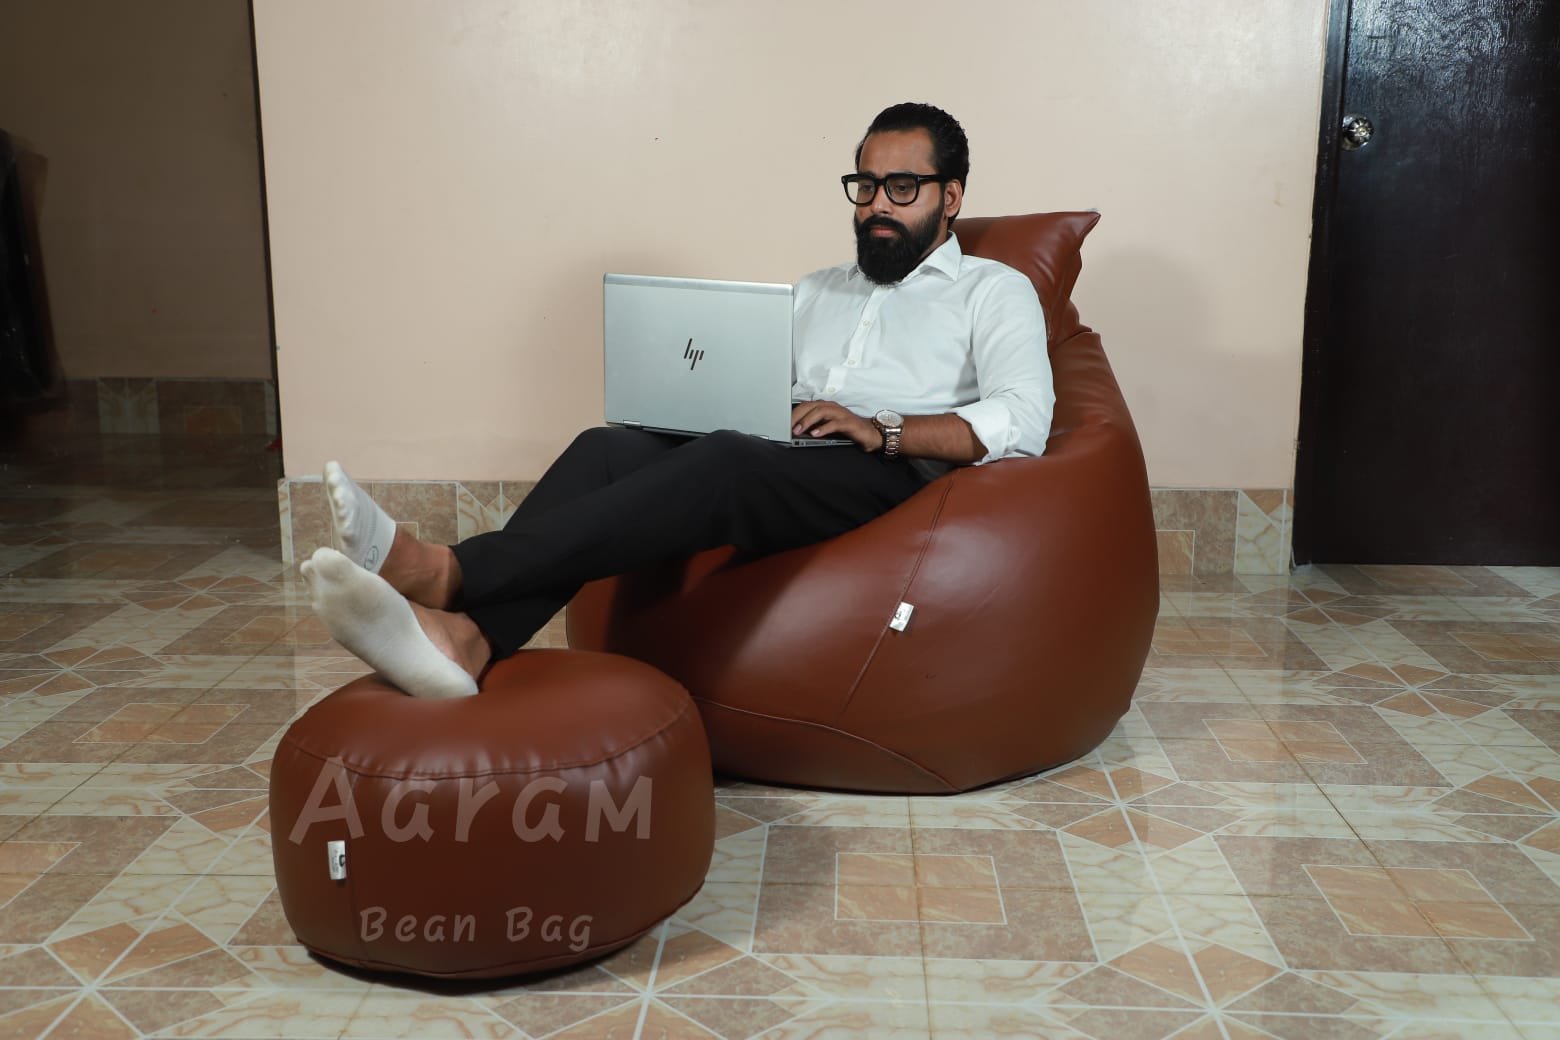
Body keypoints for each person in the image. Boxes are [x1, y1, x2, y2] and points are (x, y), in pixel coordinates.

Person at [302, 102, 1055, 698]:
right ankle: (468, 642)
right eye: (865, 186)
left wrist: (881, 428)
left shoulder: (994, 292)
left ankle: (449, 573)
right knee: (607, 448)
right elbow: (755, 381)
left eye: (902, 187)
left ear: (951, 196)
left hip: (888, 471)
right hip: (786, 450)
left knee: (729, 460)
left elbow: (1023, 418)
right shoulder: (819, 288)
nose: (877, 205)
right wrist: (701, 398)